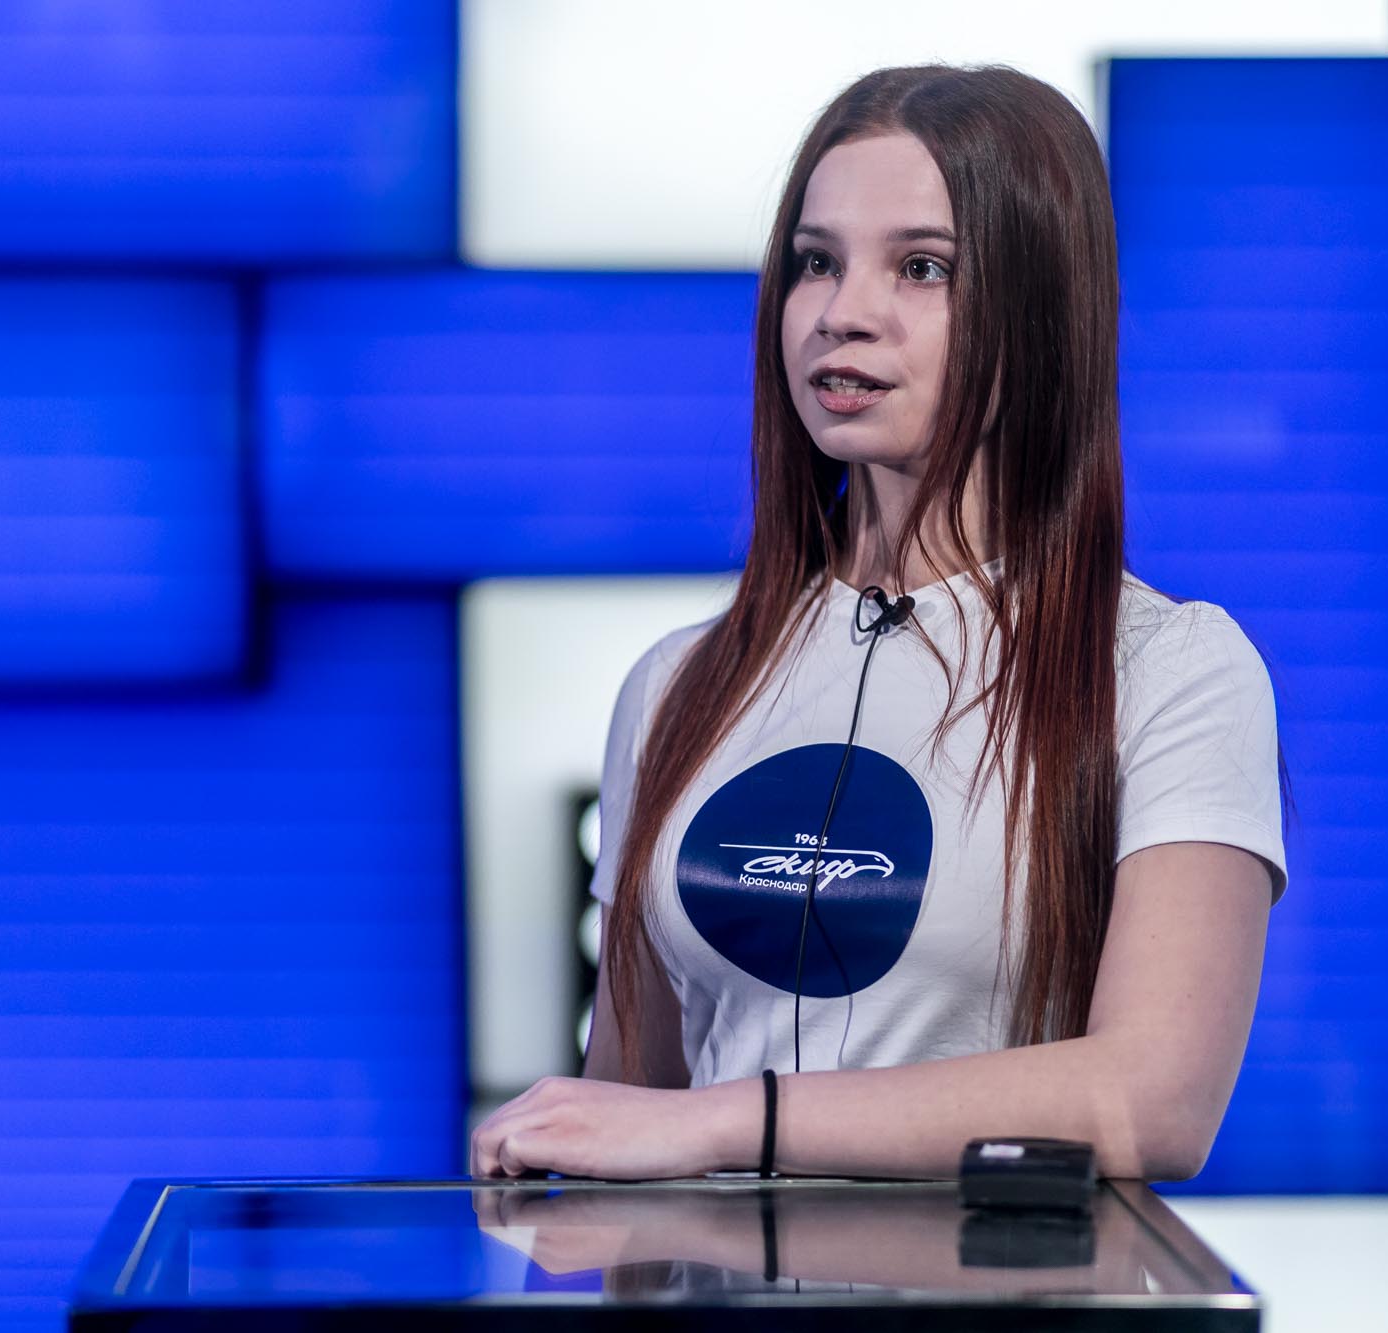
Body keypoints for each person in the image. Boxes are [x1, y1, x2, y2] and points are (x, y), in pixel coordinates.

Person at [470, 64, 1286, 1183]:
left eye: (921, 268)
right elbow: (618, 1115)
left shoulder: (1168, 669)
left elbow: (1153, 1101)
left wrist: (730, 1122)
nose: (843, 313)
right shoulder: (676, 684)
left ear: (1039, 313)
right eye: (816, 262)